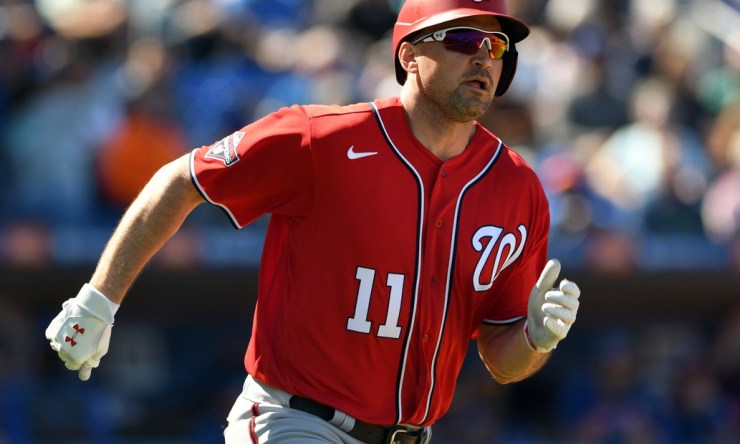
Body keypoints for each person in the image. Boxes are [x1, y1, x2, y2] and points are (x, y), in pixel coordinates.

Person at [45, 0, 582, 442]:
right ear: (411, 53)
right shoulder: (322, 139)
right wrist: (98, 301)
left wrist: (536, 338)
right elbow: (182, 180)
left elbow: (501, 358)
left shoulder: (518, 188)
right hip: (295, 421)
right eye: (466, 40)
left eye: (497, 47)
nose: (484, 60)